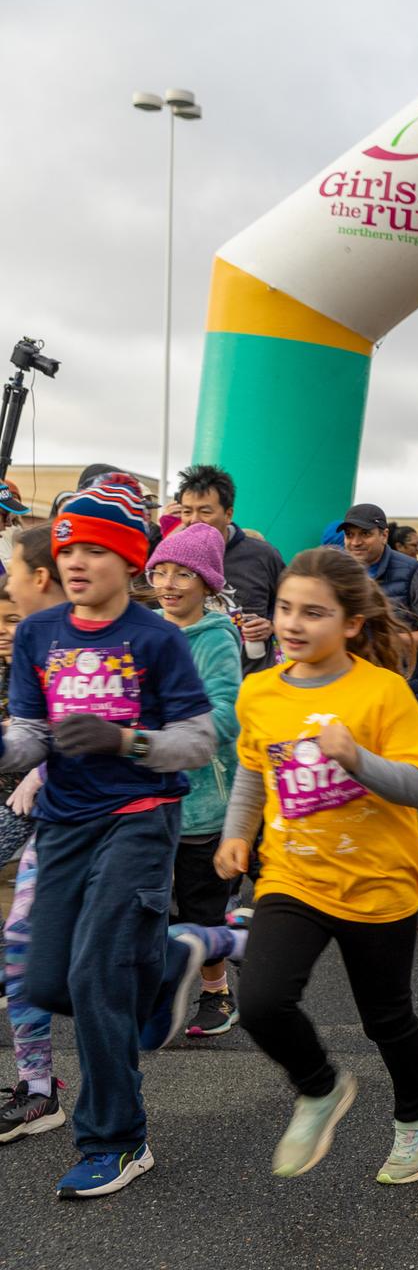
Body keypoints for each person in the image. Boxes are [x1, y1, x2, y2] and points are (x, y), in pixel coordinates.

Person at [189, 547, 418, 1183]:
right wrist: (236, 835)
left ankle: (417, 1120)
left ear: (352, 624)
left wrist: (357, 757)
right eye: (284, 609)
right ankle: (319, 1087)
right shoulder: (260, 692)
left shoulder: (382, 691)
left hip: (379, 881)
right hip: (293, 874)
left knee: (385, 1019)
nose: (292, 623)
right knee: (263, 1004)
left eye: (313, 612)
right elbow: (255, 769)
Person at [0, 481, 216, 1199]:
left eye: (96, 549)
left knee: (95, 980)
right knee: (42, 981)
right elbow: (31, 731)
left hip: (141, 815)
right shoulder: (39, 633)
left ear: (130, 560)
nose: (77, 562)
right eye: (68, 549)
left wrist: (126, 739)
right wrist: (10, 752)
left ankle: (116, 1140)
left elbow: (198, 740)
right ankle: (164, 967)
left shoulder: (156, 640)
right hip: (64, 820)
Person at [144, 524, 245, 1038]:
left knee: (201, 906)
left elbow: (228, 716)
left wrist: (161, 728)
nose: (168, 582)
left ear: (207, 582)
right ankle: (161, 989)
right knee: (151, 903)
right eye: (160, 570)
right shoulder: (143, 630)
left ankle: (217, 992)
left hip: (205, 801)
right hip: (146, 797)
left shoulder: (216, 638)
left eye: (182, 573)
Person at [0, 526, 72, 1146]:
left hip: (117, 827)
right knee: (20, 946)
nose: (7, 583)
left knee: (119, 968)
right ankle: (39, 1088)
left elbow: (91, 726)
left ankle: (224, 940)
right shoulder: (31, 639)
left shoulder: (98, 636)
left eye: (12, 572)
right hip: (49, 830)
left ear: (38, 578)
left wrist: (40, 768)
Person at [174, 464, 285, 674]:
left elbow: (289, 605)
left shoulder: (263, 555)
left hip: (249, 684)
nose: (194, 520)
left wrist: (271, 625)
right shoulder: (171, 559)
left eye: (205, 511)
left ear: (228, 514)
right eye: (187, 511)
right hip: (191, 683)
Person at [341, 504, 418, 707]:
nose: (355, 542)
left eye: (365, 534)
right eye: (349, 535)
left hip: (407, 689)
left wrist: (384, 640)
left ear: (384, 535)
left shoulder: (412, 572)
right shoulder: (341, 572)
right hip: (354, 685)